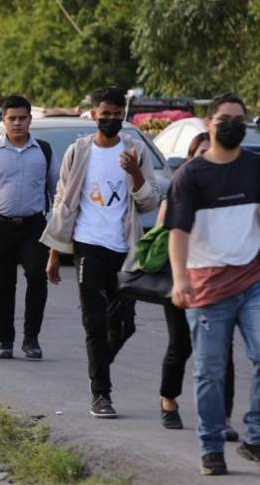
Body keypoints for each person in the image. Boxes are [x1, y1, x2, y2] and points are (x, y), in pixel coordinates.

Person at [41, 86, 159, 419]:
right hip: (87, 246)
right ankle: (101, 394)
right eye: (104, 113)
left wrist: (135, 173)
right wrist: (54, 251)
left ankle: (98, 366)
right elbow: (62, 204)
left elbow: (149, 202)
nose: (110, 119)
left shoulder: (136, 150)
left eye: (116, 114)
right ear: (93, 114)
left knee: (124, 325)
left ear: (124, 115)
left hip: (124, 249)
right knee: (94, 321)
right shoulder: (79, 152)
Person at [165, 94, 260, 476]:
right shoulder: (190, 176)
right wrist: (180, 279)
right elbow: (178, 232)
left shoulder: (255, 167)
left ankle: (255, 436)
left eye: (239, 118)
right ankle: (211, 447)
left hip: (252, 280)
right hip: (206, 287)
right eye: (224, 118)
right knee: (209, 371)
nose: (232, 123)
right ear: (209, 123)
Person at [155, 132, 237, 439]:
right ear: (190, 158)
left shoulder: (230, 192)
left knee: (224, 352)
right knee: (181, 346)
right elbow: (165, 231)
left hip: (221, 282)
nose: (206, 157)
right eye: (200, 152)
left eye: (211, 151)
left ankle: (223, 418)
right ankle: (168, 401)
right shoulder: (179, 188)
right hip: (184, 278)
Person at [0, 95, 58, 360]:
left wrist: (58, 227)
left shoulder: (44, 150)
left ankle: (31, 339)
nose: (17, 123)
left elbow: (56, 191)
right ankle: (5, 340)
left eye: (22, 118)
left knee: (37, 279)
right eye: (12, 118)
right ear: (3, 120)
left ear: (30, 119)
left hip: (34, 227)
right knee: (4, 284)